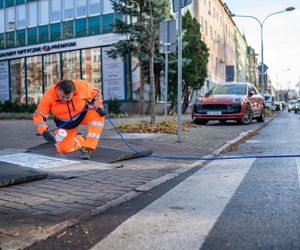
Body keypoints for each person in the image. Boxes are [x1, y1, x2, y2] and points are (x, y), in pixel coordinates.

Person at [33, 79, 106, 160]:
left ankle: (87, 148)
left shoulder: (81, 86)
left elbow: (97, 94)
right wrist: (43, 131)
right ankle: (80, 139)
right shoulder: (49, 95)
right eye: (62, 96)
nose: (64, 100)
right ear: (58, 90)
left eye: (68, 97)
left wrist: (99, 107)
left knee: (98, 115)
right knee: (63, 149)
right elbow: (39, 114)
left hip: (83, 114)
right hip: (65, 124)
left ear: (74, 92)